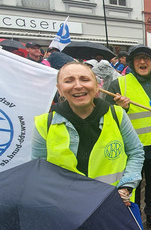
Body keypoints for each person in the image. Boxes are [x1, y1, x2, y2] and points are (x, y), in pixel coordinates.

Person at [31, 62, 144, 209]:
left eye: (85, 79)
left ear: (97, 85)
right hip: (67, 208)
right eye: (68, 80)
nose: (78, 86)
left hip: (114, 204)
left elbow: (135, 152)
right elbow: (39, 170)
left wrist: (126, 186)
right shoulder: (44, 124)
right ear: (59, 89)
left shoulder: (117, 115)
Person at [106, 45, 151, 230]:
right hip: (132, 149)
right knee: (132, 186)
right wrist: (121, 108)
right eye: (138, 59)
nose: (143, 62)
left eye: (146, 58)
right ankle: (131, 218)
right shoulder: (119, 84)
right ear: (132, 62)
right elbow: (109, 118)